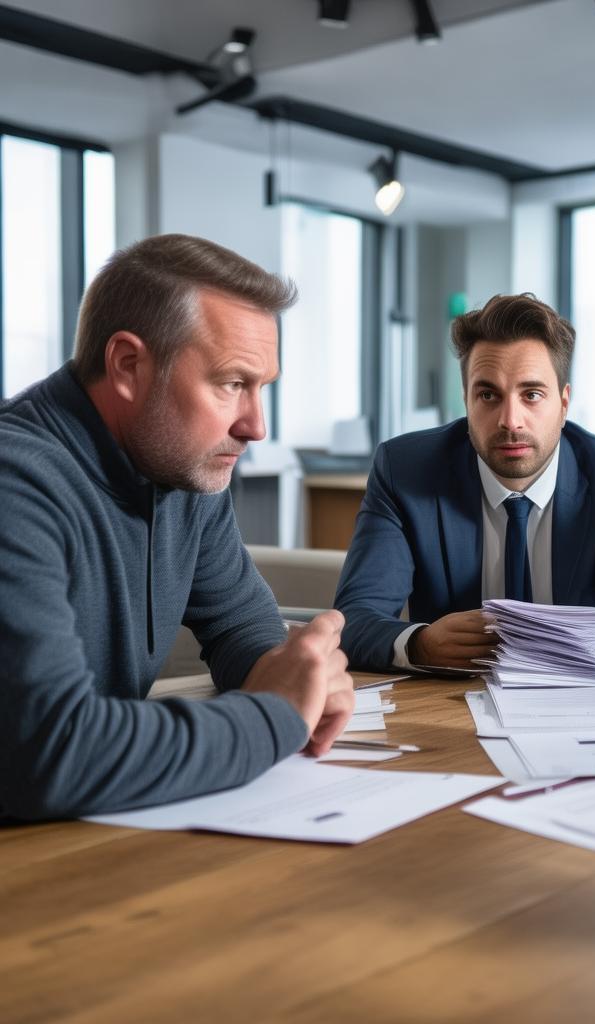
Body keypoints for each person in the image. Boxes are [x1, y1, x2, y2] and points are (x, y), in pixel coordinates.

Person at [0, 234, 354, 821]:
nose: (256, 426)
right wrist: (277, 716)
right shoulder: (17, 483)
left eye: (262, 388)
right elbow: (50, 749)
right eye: (232, 384)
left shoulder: (180, 467)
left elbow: (239, 623)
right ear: (128, 365)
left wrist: (300, 674)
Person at [335, 292, 595, 672]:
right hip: (450, 709)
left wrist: (552, 646)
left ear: (564, 402)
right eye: (488, 395)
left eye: (532, 394)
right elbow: (354, 619)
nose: (510, 420)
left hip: (586, 702)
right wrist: (419, 644)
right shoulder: (405, 471)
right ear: (466, 400)